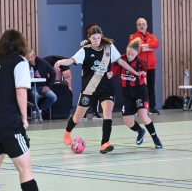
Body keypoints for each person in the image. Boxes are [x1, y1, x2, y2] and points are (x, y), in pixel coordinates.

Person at [55, 25, 146, 154]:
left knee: (107, 113)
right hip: (89, 89)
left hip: (106, 88)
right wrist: (60, 62)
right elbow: (71, 60)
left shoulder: (109, 47)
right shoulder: (85, 50)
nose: (97, 41)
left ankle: (105, 143)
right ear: (89, 38)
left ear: (101, 36)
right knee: (77, 118)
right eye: (94, 38)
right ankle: (67, 132)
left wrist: (135, 73)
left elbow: (121, 62)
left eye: (98, 38)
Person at [0, 29, 39, 191]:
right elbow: (21, 91)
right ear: (21, 44)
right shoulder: (20, 61)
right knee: (25, 169)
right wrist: (25, 118)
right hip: (9, 123)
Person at [108, 38, 162, 148]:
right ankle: (140, 131)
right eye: (128, 53)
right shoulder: (120, 60)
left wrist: (145, 93)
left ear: (137, 53)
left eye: (132, 54)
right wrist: (109, 74)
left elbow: (144, 78)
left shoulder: (141, 63)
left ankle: (155, 138)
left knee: (143, 115)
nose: (129, 56)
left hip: (140, 92)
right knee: (128, 121)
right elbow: (112, 71)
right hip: (127, 93)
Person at [129, 18, 160, 115]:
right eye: (139, 24)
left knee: (151, 87)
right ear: (137, 26)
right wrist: (148, 47)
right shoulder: (133, 36)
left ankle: (152, 108)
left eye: (143, 24)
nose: (141, 26)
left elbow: (156, 44)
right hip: (139, 67)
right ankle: (136, 108)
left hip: (151, 66)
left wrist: (144, 46)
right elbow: (136, 47)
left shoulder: (152, 36)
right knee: (138, 87)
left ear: (146, 25)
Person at [27, 50, 57, 120]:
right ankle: (34, 113)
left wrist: (48, 85)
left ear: (35, 56)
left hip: (42, 86)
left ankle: (39, 110)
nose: (30, 59)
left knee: (53, 97)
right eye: (28, 57)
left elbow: (53, 73)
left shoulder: (42, 62)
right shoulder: (25, 64)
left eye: (31, 57)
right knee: (35, 96)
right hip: (31, 87)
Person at [81, 23, 102, 120]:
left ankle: (95, 112)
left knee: (96, 93)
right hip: (87, 73)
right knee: (86, 93)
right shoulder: (84, 44)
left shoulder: (102, 45)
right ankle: (83, 113)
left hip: (97, 73)